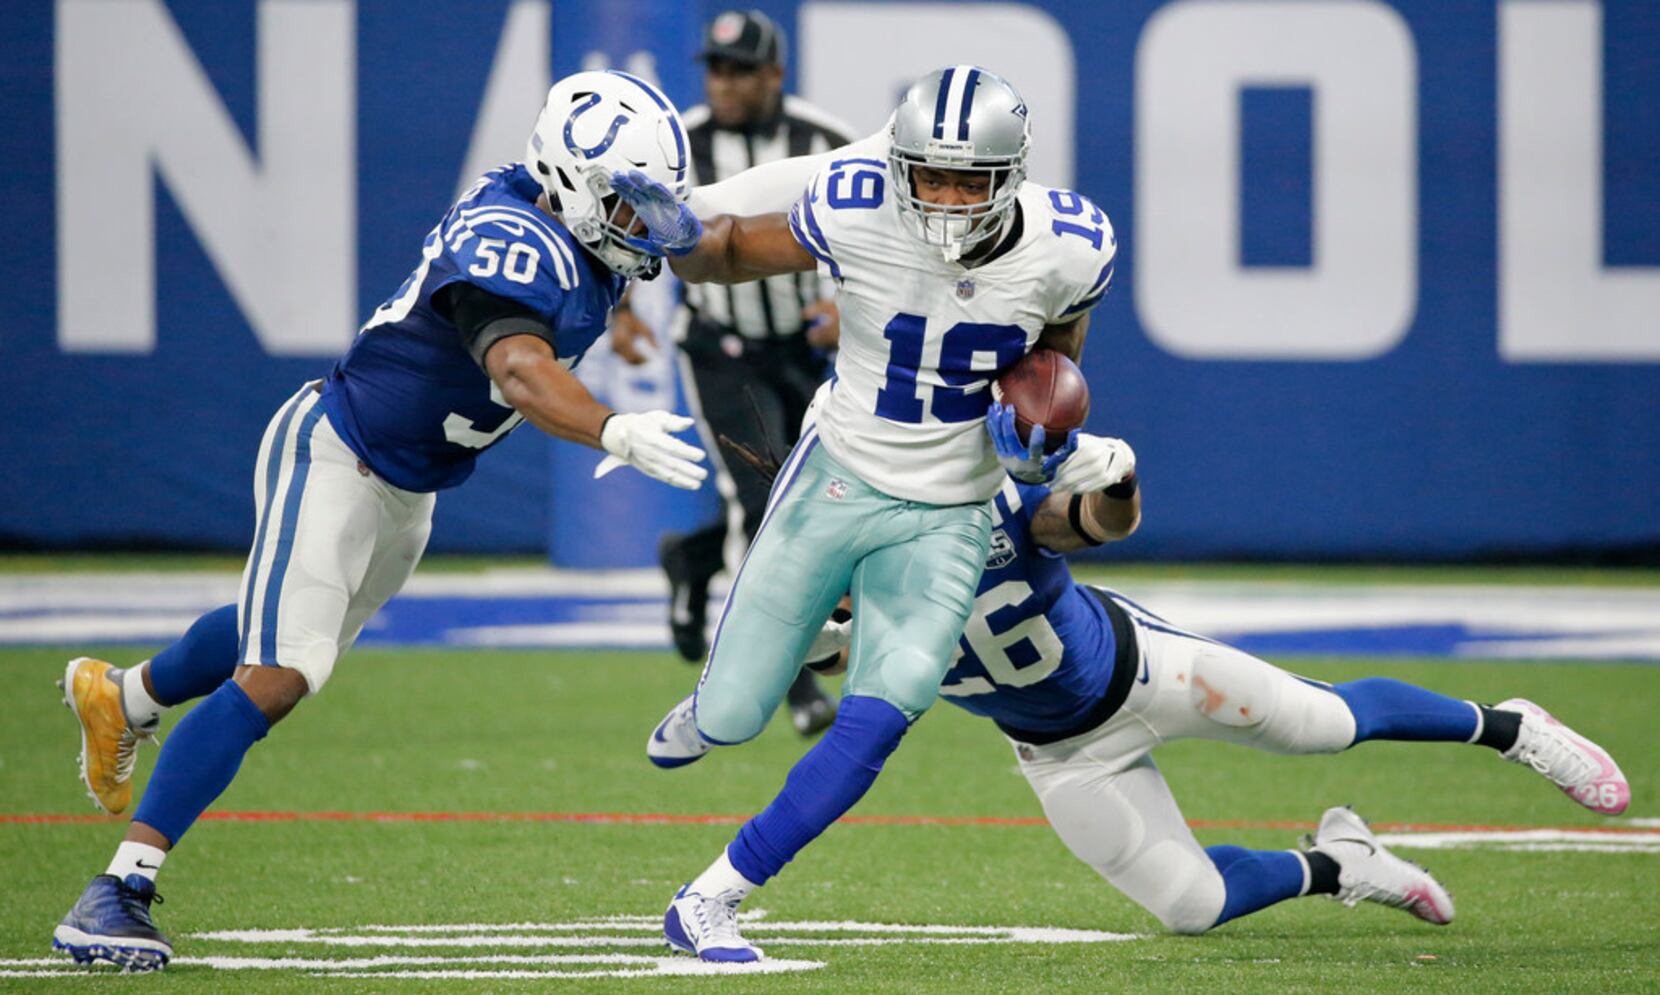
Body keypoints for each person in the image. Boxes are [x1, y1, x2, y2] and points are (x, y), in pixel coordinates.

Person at [50, 70, 708, 972]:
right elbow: (517, 367)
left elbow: (580, 294)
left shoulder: (575, 237)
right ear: (569, 179)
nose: (642, 224)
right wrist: (611, 425)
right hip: (337, 451)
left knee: (279, 630)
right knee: (280, 669)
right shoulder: (512, 236)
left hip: (410, 484)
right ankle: (117, 890)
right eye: (627, 202)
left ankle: (122, 698)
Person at [692, 432, 1632, 953]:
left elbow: (1094, 521)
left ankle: (1510, 728)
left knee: (1328, 722)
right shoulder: (822, 587)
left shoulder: (970, 501)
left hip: (1146, 671)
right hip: (1055, 752)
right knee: (1191, 906)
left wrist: (1121, 477)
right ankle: (1340, 865)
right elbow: (804, 659)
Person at [612, 66, 1128, 962]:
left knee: (883, 712)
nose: (947, 196)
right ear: (900, 166)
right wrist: (681, 239)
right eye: (930, 173)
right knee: (736, 712)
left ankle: (710, 899)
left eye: (971, 179)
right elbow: (730, 253)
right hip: (839, 475)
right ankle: (712, 704)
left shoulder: (1071, 245)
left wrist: (1037, 442)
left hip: (954, 511)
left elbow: (1053, 359)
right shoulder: (857, 203)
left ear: (1011, 177)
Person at [610, 9, 855, 736]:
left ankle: (691, 558)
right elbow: (621, 222)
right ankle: (790, 678)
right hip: (719, 347)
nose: (723, 82)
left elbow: (879, 227)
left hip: (805, 352)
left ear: (775, 74)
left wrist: (848, 306)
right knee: (764, 497)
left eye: (741, 69)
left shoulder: (826, 141)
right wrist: (622, 311)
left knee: (816, 497)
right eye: (716, 69)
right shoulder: (679, 145)